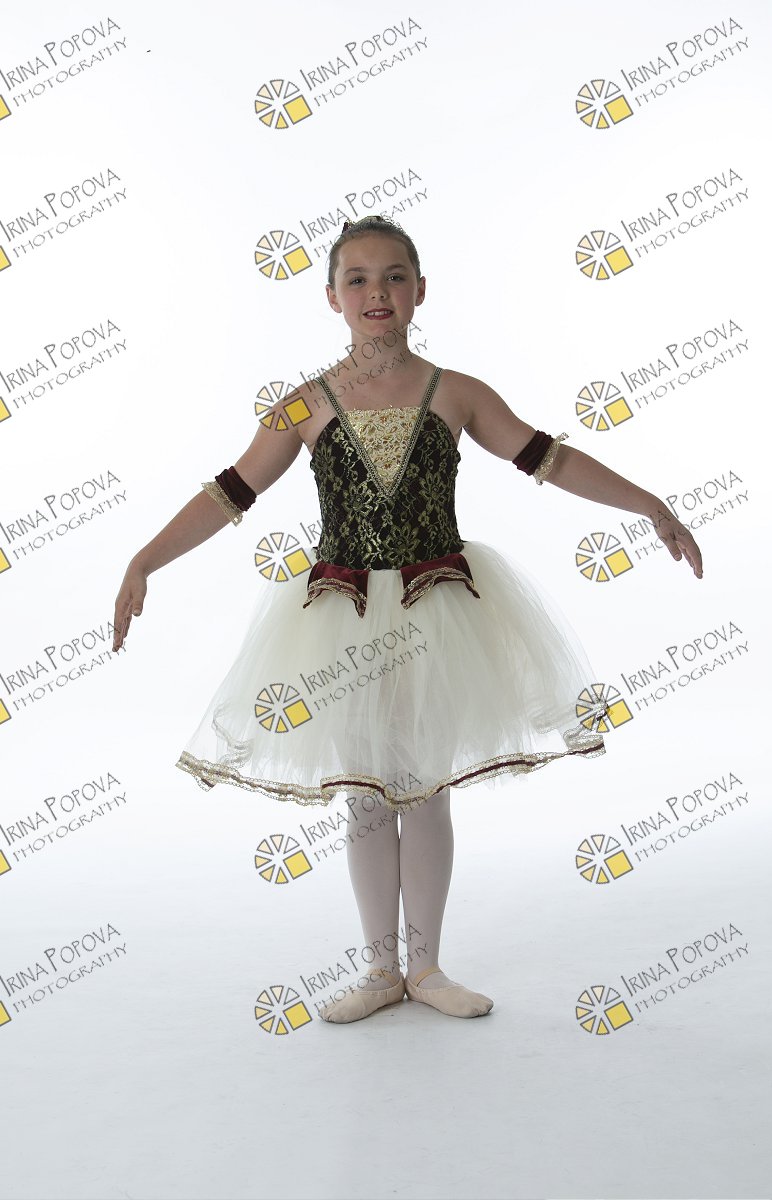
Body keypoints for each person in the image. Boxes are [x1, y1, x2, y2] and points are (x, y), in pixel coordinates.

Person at [112, 215, 702, 1025]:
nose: (377, 292)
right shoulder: (303, 406)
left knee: (424, 788)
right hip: (343, 618)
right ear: (332, 298)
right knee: (365, 792)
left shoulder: (457, 393)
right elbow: (229, 492)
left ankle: (426, 967)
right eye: (356, 279)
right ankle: (378, 969)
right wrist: (145, 559)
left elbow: (550, 458)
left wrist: (649, 504)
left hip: (436, 610)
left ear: (420, 289)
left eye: (394, 276)